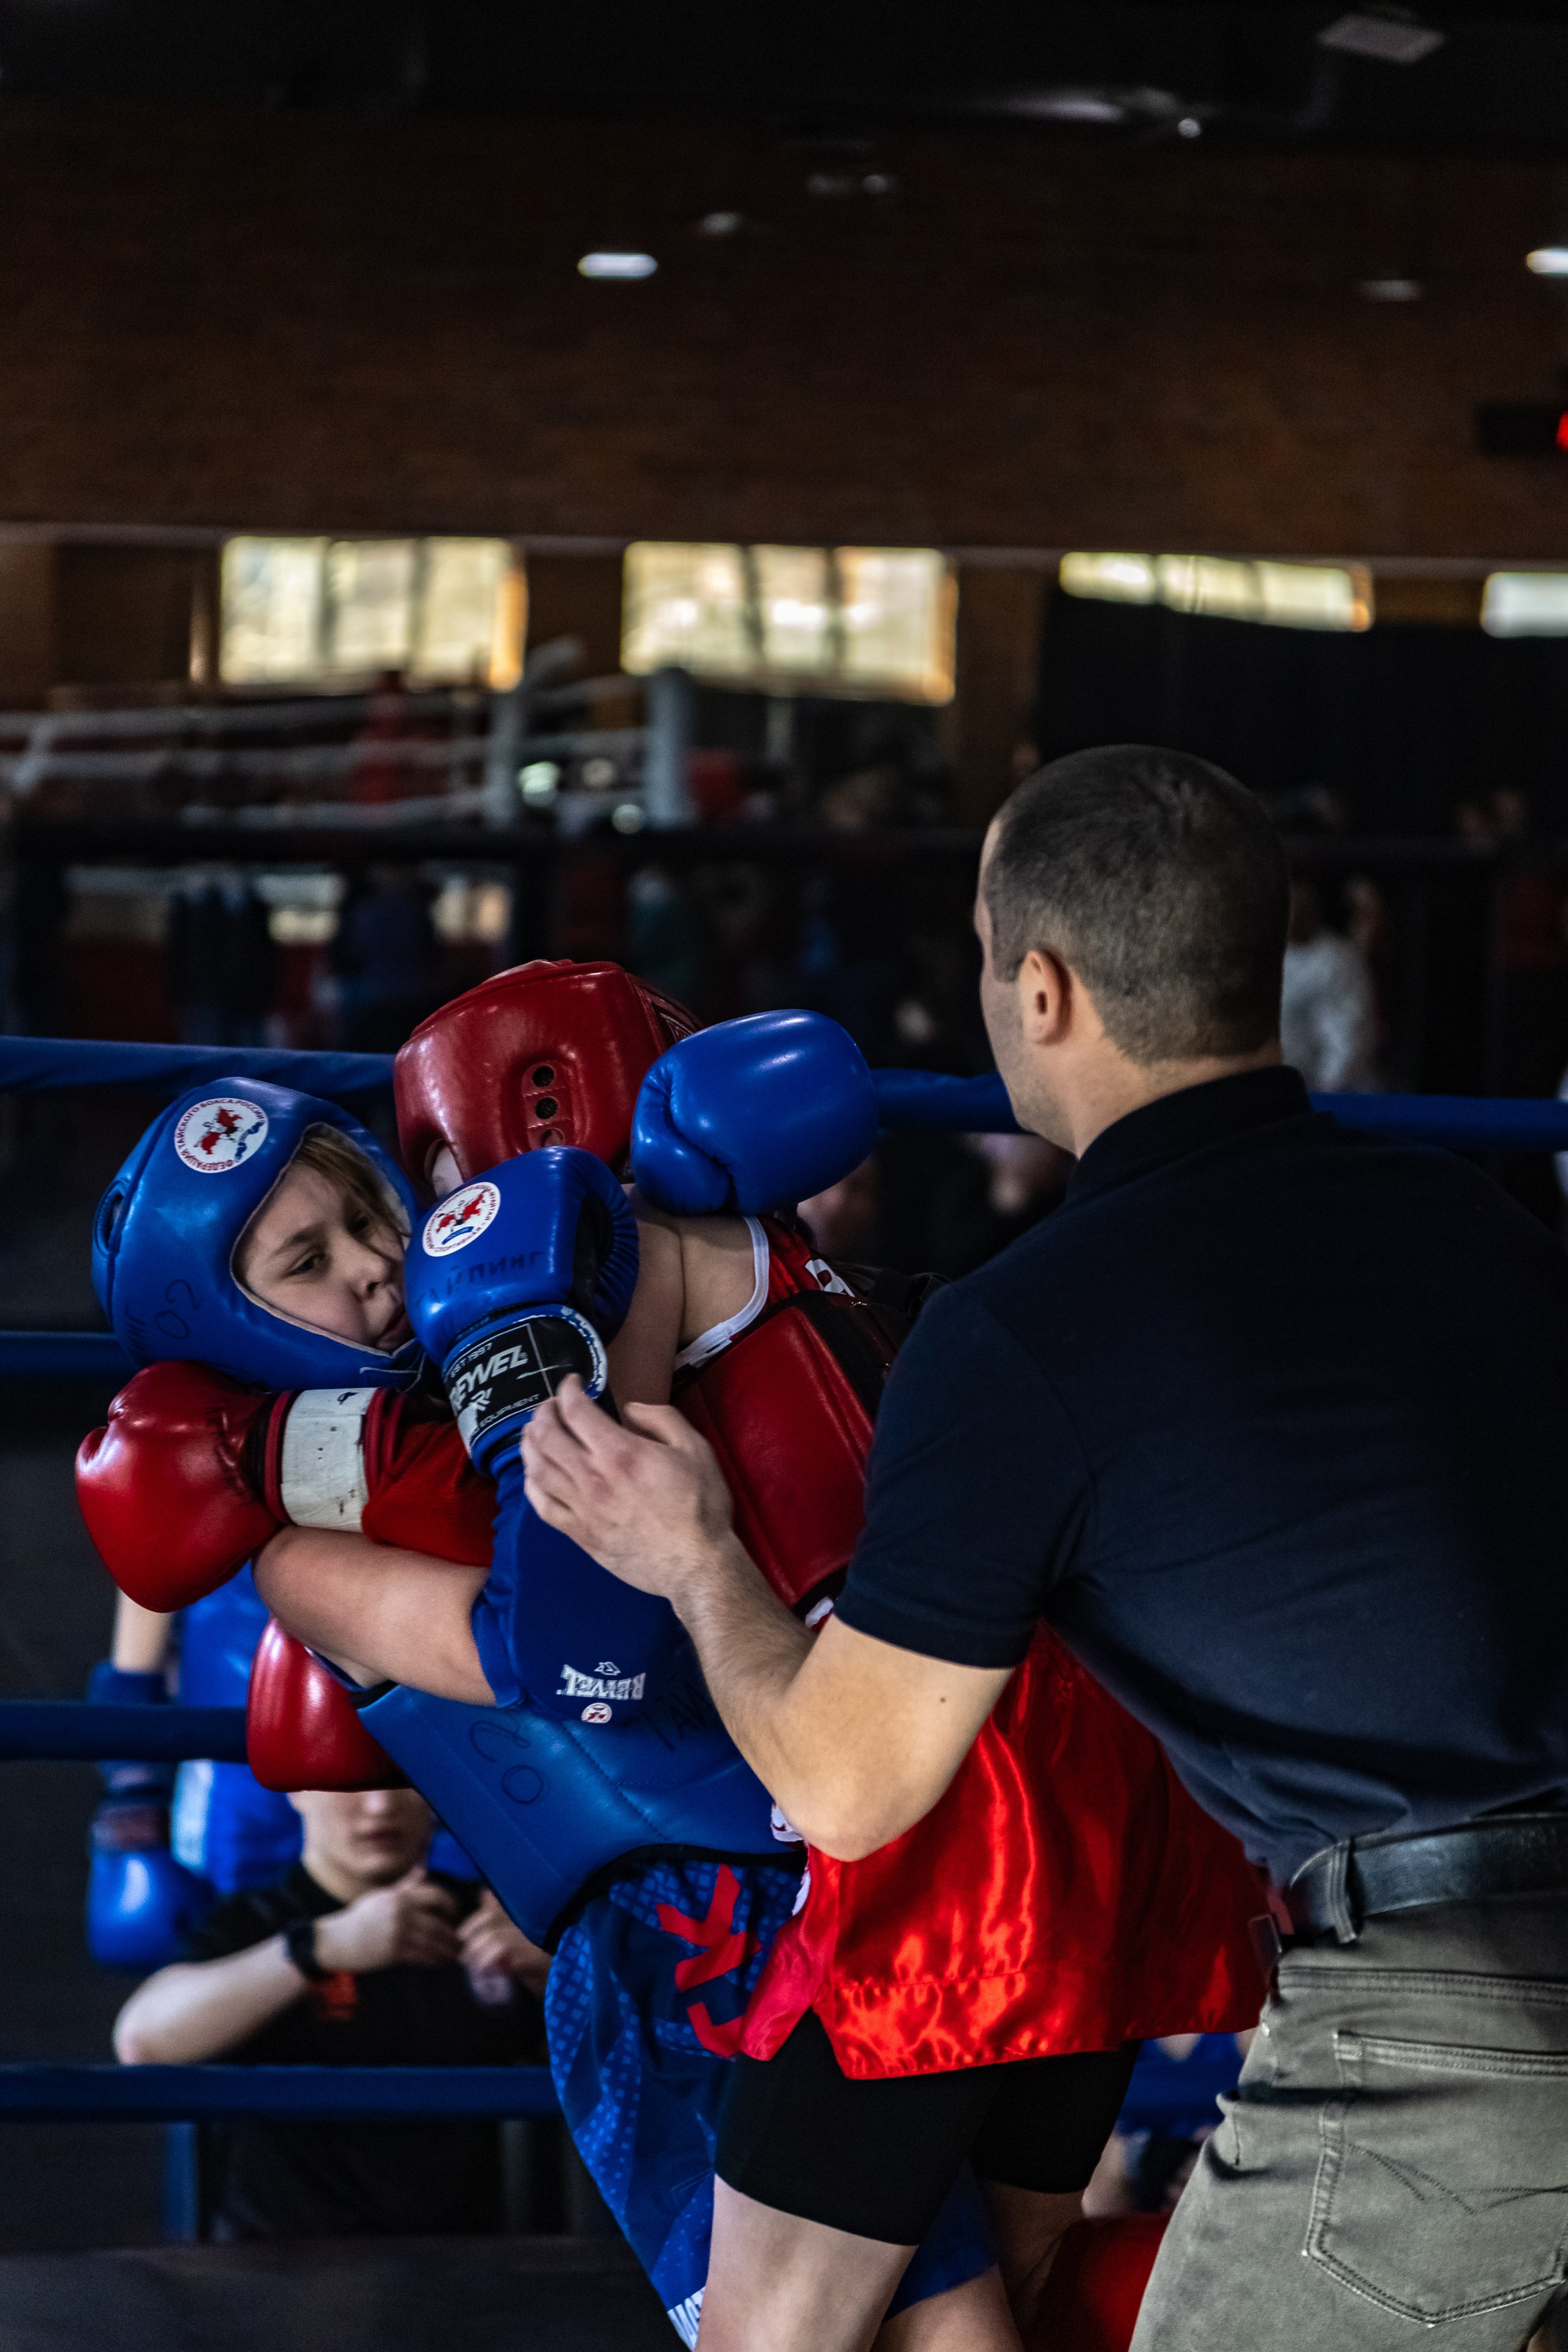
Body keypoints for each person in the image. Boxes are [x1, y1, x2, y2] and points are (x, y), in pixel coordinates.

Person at [521, 747, 1568, 2352]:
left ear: (1046, 988)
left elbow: (847, 1784)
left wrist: (692, 1552)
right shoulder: (1479, 1224)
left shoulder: (1026, 1329)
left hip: (1441, 2020)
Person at [77, 1023, 1000, 2346]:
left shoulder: (486, 1356)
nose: (378, 1268)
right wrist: (533, 1378)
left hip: (835, 1865)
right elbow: (563, 1660)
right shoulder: (304, 1557)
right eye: (306, 1264)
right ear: (228, 1325)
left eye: (360, 1216)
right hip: (675, 1943)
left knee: (966, 2324)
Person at [113, 1784, 546, 2239]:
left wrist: (559, 1974)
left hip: (467, 2262)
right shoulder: (255, 1922)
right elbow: (141, 2040)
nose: (380, 1805)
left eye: (401, 1777)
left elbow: (609, 2066)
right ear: (298, 1789)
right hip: (283, 2270)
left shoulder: (494, 1919)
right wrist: (318, 1948)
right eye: (350, 1782)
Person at [1278, 871, 1379, 1092]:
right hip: (1283, 1091)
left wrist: (1324, 1094)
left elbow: (1349, 1040)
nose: (1294, 910)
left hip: (1336, 1095)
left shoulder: (1337, 958)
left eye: (1302, 901)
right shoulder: (1269, 955)